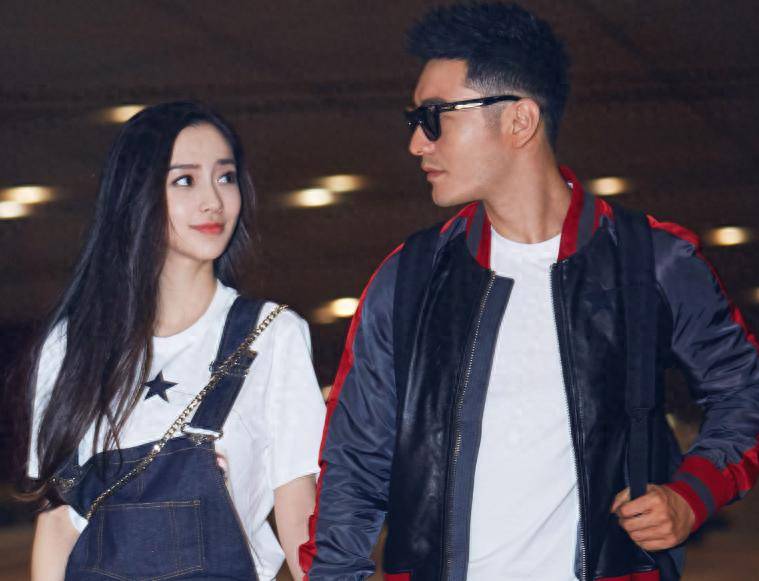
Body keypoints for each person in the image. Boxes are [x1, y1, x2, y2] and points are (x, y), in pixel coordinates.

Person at [299, 3, 759, 580]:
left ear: (520, 120)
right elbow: (354, 463)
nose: (417, 143)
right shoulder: (410, 278)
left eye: (435, 117)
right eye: (414, 120)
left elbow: (745, 393)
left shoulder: (651, 263)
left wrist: (692, 495)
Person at [24, 101, 326, 580]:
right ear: (136, 194)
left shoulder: (271, 334)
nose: (213, 200)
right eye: (185, 180)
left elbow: (297, 506)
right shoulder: (71, 346)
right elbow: (59, 520)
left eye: (225, 177)